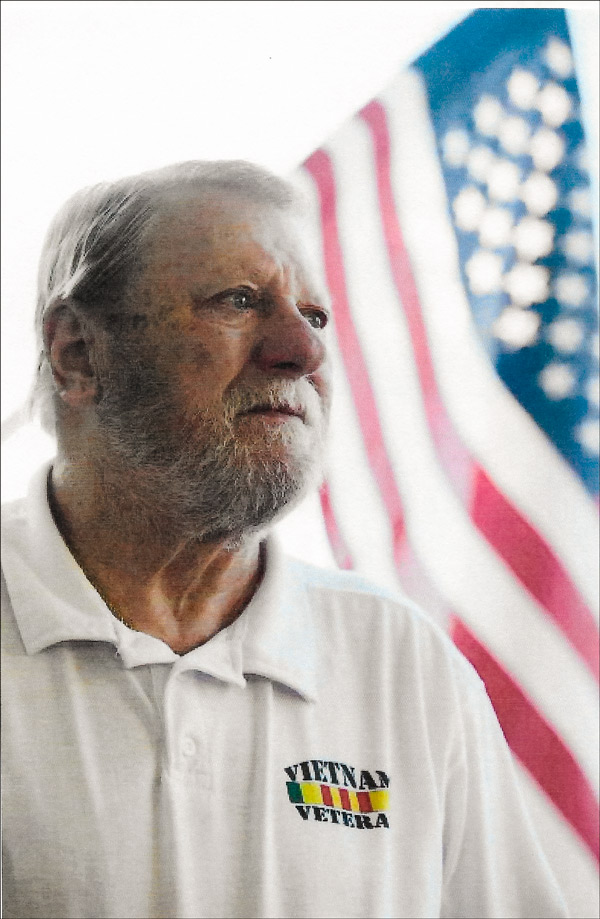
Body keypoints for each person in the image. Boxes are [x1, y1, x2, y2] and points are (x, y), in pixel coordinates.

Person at [1, 160, 568, 919]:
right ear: (78, 352)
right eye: (238, 300)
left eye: (317, 315)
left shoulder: (403, 665)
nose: (304, 350)